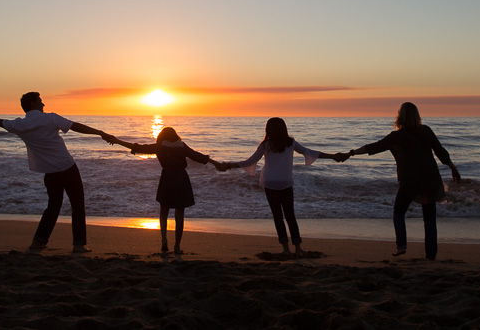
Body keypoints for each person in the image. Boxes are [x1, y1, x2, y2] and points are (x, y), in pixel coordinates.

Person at [0, 92, 113, 253]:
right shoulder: (51, 118)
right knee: (77, 205)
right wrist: (100, 132)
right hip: (67, 167)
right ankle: (78, 244)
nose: (43, 104)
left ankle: (38, 242)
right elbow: (75, 126)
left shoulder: (20, 125)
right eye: (40, 101)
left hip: (50, 172)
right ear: (33, 104)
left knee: (53, 206)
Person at [339, 102, 461, 260]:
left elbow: (373, 148)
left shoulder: (396, 136)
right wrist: (453, 167)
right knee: (429, 219)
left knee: (398, 212)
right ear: (417, 116)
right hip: (430, 180)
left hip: (410, 182)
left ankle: (401, 245)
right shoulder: (426, 131)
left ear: (400, 116)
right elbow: (441, 152)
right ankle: (431, 256)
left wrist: (351, 153)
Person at [220, 117, 344, 257]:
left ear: (268, 129)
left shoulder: (265, 145)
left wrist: (229, 165)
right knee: (290, 215)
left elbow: (250, 161)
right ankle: (297, 248)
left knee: (277, 216)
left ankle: (285, 249)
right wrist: (333, 156)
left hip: (270, 182)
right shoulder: (290, 142)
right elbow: (309, 152)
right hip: (285, 182)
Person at [105, 127, 224, 255]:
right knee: (180, 213)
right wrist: (216, 163)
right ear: (175, 136)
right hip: (181, 178)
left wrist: (117, 141)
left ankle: (164, 241)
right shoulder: (181, 146)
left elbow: (139, 147)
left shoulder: (160, 146)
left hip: (167, 177)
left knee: (164, 211)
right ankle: (177, 246)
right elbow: (198, 156)